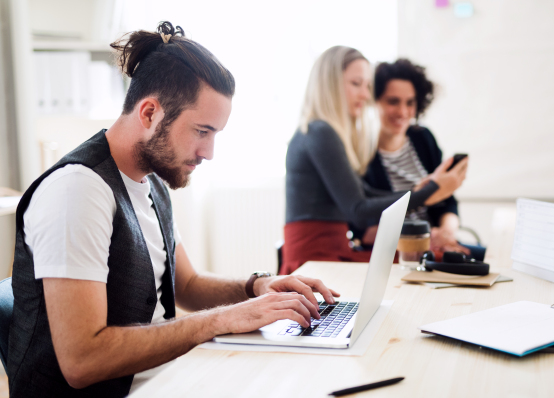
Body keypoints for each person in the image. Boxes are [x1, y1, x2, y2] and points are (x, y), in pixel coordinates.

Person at [8, 22, 339, 397]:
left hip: (167, 380)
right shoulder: (77, 191)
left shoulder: (151, 182)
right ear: (149, 113)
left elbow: (188, 286)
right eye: (202, 131)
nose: (209, 152)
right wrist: (220, 320)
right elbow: (82, 360)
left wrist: (256, 287)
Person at [282, 47, 465, 275]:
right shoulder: (321, 132)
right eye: (356, 84)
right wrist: (429, 193)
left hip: (330, 254)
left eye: (367, 86)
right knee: (424, 265)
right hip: (316, 261)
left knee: (429, 262)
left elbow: (364, 193)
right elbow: (358, 210)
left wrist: (422, 190)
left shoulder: (323, 131)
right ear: (330, 84)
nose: (365, 95)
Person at [363, 58, 484, 260]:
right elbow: (365, 230)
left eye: (410, 103)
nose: (403, 112)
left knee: (491, 262)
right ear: (374, 101)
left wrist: (446, 232)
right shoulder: (361, 152)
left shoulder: (422, 138)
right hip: (394, 254)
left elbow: (448, 201)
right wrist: (424, 239)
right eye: (393, 101)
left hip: (438, 246)